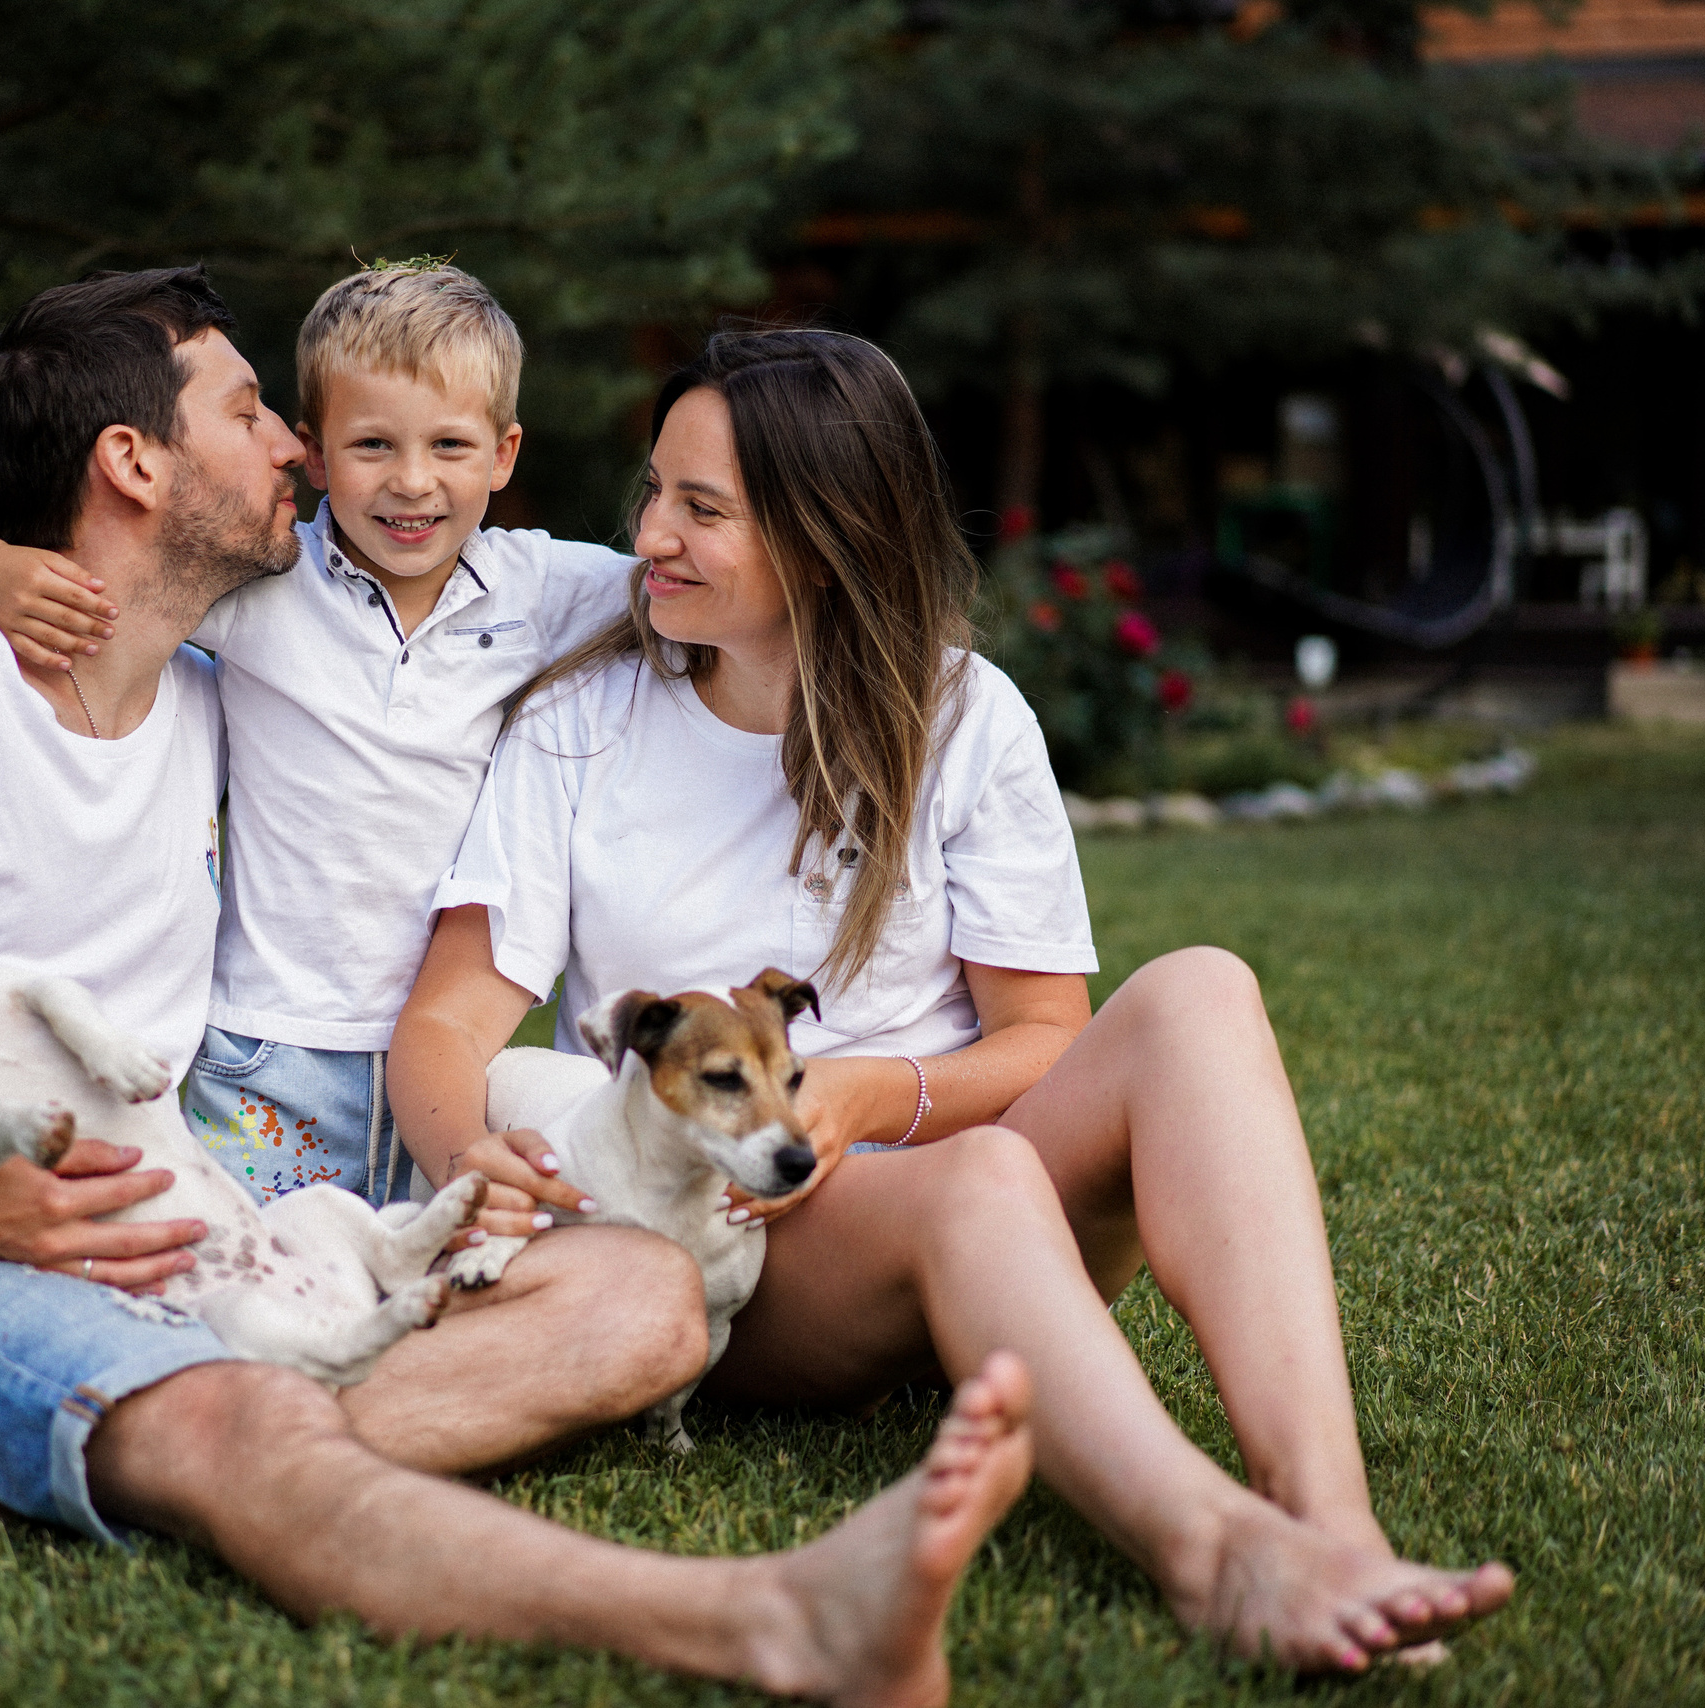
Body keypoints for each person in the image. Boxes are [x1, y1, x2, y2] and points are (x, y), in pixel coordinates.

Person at [0, 267, 1040, 1708]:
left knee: (647, 1305)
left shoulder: (191, 687)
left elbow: (686, 585)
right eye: (261, 411)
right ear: (134, 461)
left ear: (500, 461)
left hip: (175, 1179)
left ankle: (43, 1470)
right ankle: (767, 1619)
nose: (297, 453)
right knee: (244, 1413)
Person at [384, 325, 1518, 1675]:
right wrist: (473, 1165)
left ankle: (1333, 1519)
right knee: (979, 1181)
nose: (650, 537)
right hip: (741, 1235)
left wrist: (871, 1096)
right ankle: (1218, 1556)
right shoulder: (587, 721)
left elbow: (1048, 1036)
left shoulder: (964, 715)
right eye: (654, 491)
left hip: (947, 1170)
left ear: (824, 534)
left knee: (1200, 994)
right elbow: (451, 1021)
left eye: (702, 508)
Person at [0, 260, 630, 1212]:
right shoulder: (267, 588)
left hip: (459, 1052)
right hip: (272, 1046)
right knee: (260, 1275)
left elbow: (681, 591)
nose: (412, 482)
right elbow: (102, 573)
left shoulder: (544, 591)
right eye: (372, 446)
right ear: (314, 454)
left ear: (504, 453)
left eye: (449, 445)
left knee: (426, 1280)